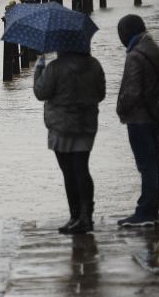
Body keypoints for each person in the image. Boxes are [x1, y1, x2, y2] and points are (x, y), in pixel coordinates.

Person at [34, 45, 106, 234]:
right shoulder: (94, 65)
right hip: (86, 126)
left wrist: (40, 66)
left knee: (69, 172)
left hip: (62, 128)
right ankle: (86, 217)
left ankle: (75, 216)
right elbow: (101, 94)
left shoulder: (55, 68)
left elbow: (40, 93)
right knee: (82, 169)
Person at [115, 14, 159, 227]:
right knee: (154, 164)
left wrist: (120, 108)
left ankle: (145, 211)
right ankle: (152, 209)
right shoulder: (154, 48)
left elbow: (132, 90)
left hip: (139, 118)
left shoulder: (136, 55)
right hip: (153, 116)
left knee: (146, 165)